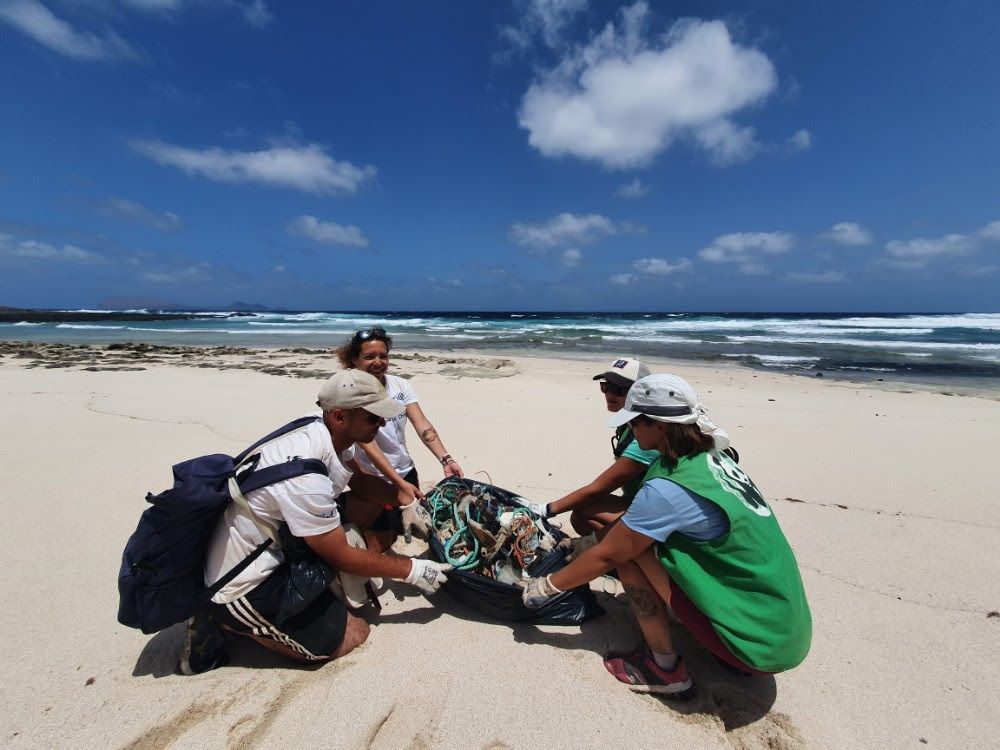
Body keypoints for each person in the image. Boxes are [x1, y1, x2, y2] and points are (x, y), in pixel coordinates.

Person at [522, 374, 811, 695]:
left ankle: (665, 668)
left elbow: (609, 554)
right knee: (644, 539)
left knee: (629, 552)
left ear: (660, 426)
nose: (631, 430)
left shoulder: (668, 488)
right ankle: (716, 639)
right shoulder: (713, 459)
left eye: (635, 423)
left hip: (757, 649)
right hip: (785, 629)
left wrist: (544, 587)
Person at [179, 369, 452, 674]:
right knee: (354, 634)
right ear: (339, 416)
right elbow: (341, 555)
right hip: (241, 580)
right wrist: (413, 570)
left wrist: (404, 499)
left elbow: (361, 486)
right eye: (373, 418)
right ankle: (222, 621)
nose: (383, 424)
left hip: (278, 540)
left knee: (364, 510)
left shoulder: (320, 424)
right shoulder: (305, 477)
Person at [518, 358, 659, 543]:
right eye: (606, 386)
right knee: (580, 515)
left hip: (657, 514)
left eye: (619, 389)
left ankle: (633, 553)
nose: (609, 394)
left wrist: (546, 509)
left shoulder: (649, 434)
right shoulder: (628, 425)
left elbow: (600, 487)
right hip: (636, 500)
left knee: (585, 510)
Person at [335, 327, 464, 518]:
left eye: (383, 356)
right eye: (369, 357)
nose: (378, 362)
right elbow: (368, 445)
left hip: (406, 469)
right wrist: (398, 484)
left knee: (411, 525)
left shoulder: (400, 385)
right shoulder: (350, 393)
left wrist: (446, 459)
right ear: (355, 359)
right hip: (374, 478)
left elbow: (421, 424)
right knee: (382, 537)